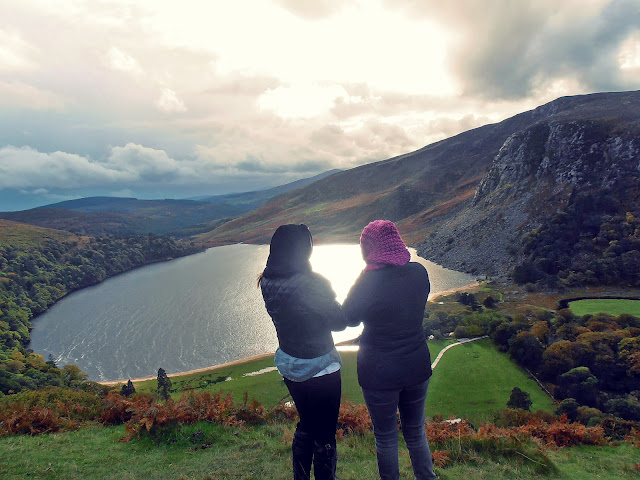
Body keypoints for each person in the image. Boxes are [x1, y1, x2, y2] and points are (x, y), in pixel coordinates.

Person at [342, 220, 437, 480]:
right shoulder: (419, 273)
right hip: (417, 365)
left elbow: (348, 318)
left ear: (369, 249)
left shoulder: (369, 281)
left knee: (385, 437)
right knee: (416, 432)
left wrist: (364, 276)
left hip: (379, 372)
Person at [258, 224, 346, 480]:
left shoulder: (267, 280)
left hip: (289, 363)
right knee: (326, 434)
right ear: (303, 250)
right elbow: (339, 322)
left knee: (306, 423)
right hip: (321, 366)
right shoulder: (313, 283)